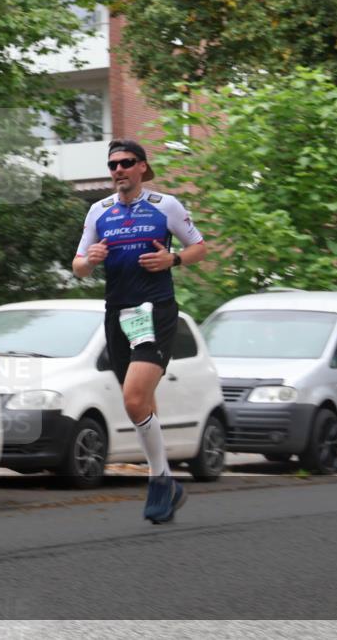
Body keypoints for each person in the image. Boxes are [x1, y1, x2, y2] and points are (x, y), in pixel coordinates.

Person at [72, 139, 207, 524]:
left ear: (142, 168)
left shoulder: (166, 206)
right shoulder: (98, 211)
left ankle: (160, 480)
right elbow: (78, 264)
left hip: (154, 311)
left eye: (127, 163)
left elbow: (200, 248)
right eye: (113, 164)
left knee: (133, 400)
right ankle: (167, 484)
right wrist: (89, 260)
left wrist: (173, 258)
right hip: (117, 314)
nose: (118, 170)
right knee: (142, 404)